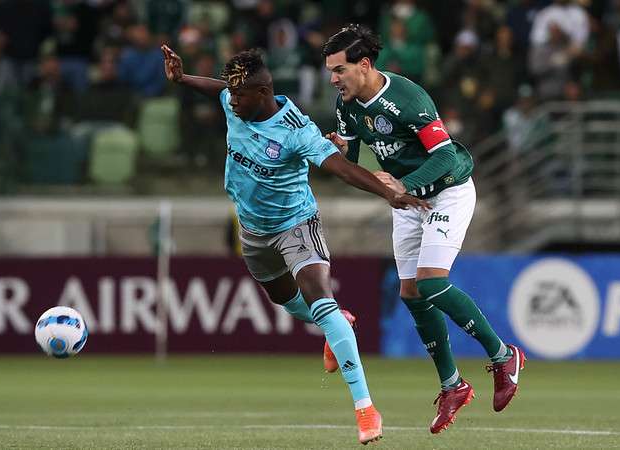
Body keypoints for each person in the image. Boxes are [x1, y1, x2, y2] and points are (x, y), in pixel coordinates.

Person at [162, 44, 429, 445]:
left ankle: (365, 408)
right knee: (287, 302)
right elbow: (217, 88)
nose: (230, 101)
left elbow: (342, 168)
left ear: (263, 93)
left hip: (296, 224)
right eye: (231, 95)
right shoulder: (235, 100)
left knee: (319, 297)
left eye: (239, 95)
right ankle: (337, 322)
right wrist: (182, 79)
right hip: (253, 231)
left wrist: (387, 192)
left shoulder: (296, 130)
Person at [321, 24, 527, 435]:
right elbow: (355, 147)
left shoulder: (408, 99)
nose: (333, 78)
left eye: (339, 70)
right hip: (406, 200)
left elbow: (446, 156)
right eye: (330, 70)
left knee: (432, 283)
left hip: (447, 191)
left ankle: (503, 356)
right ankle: (453, 385)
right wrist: (343, 149)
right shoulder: (346, 103)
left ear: (364, 65)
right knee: (411, 292)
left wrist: (406, 185)